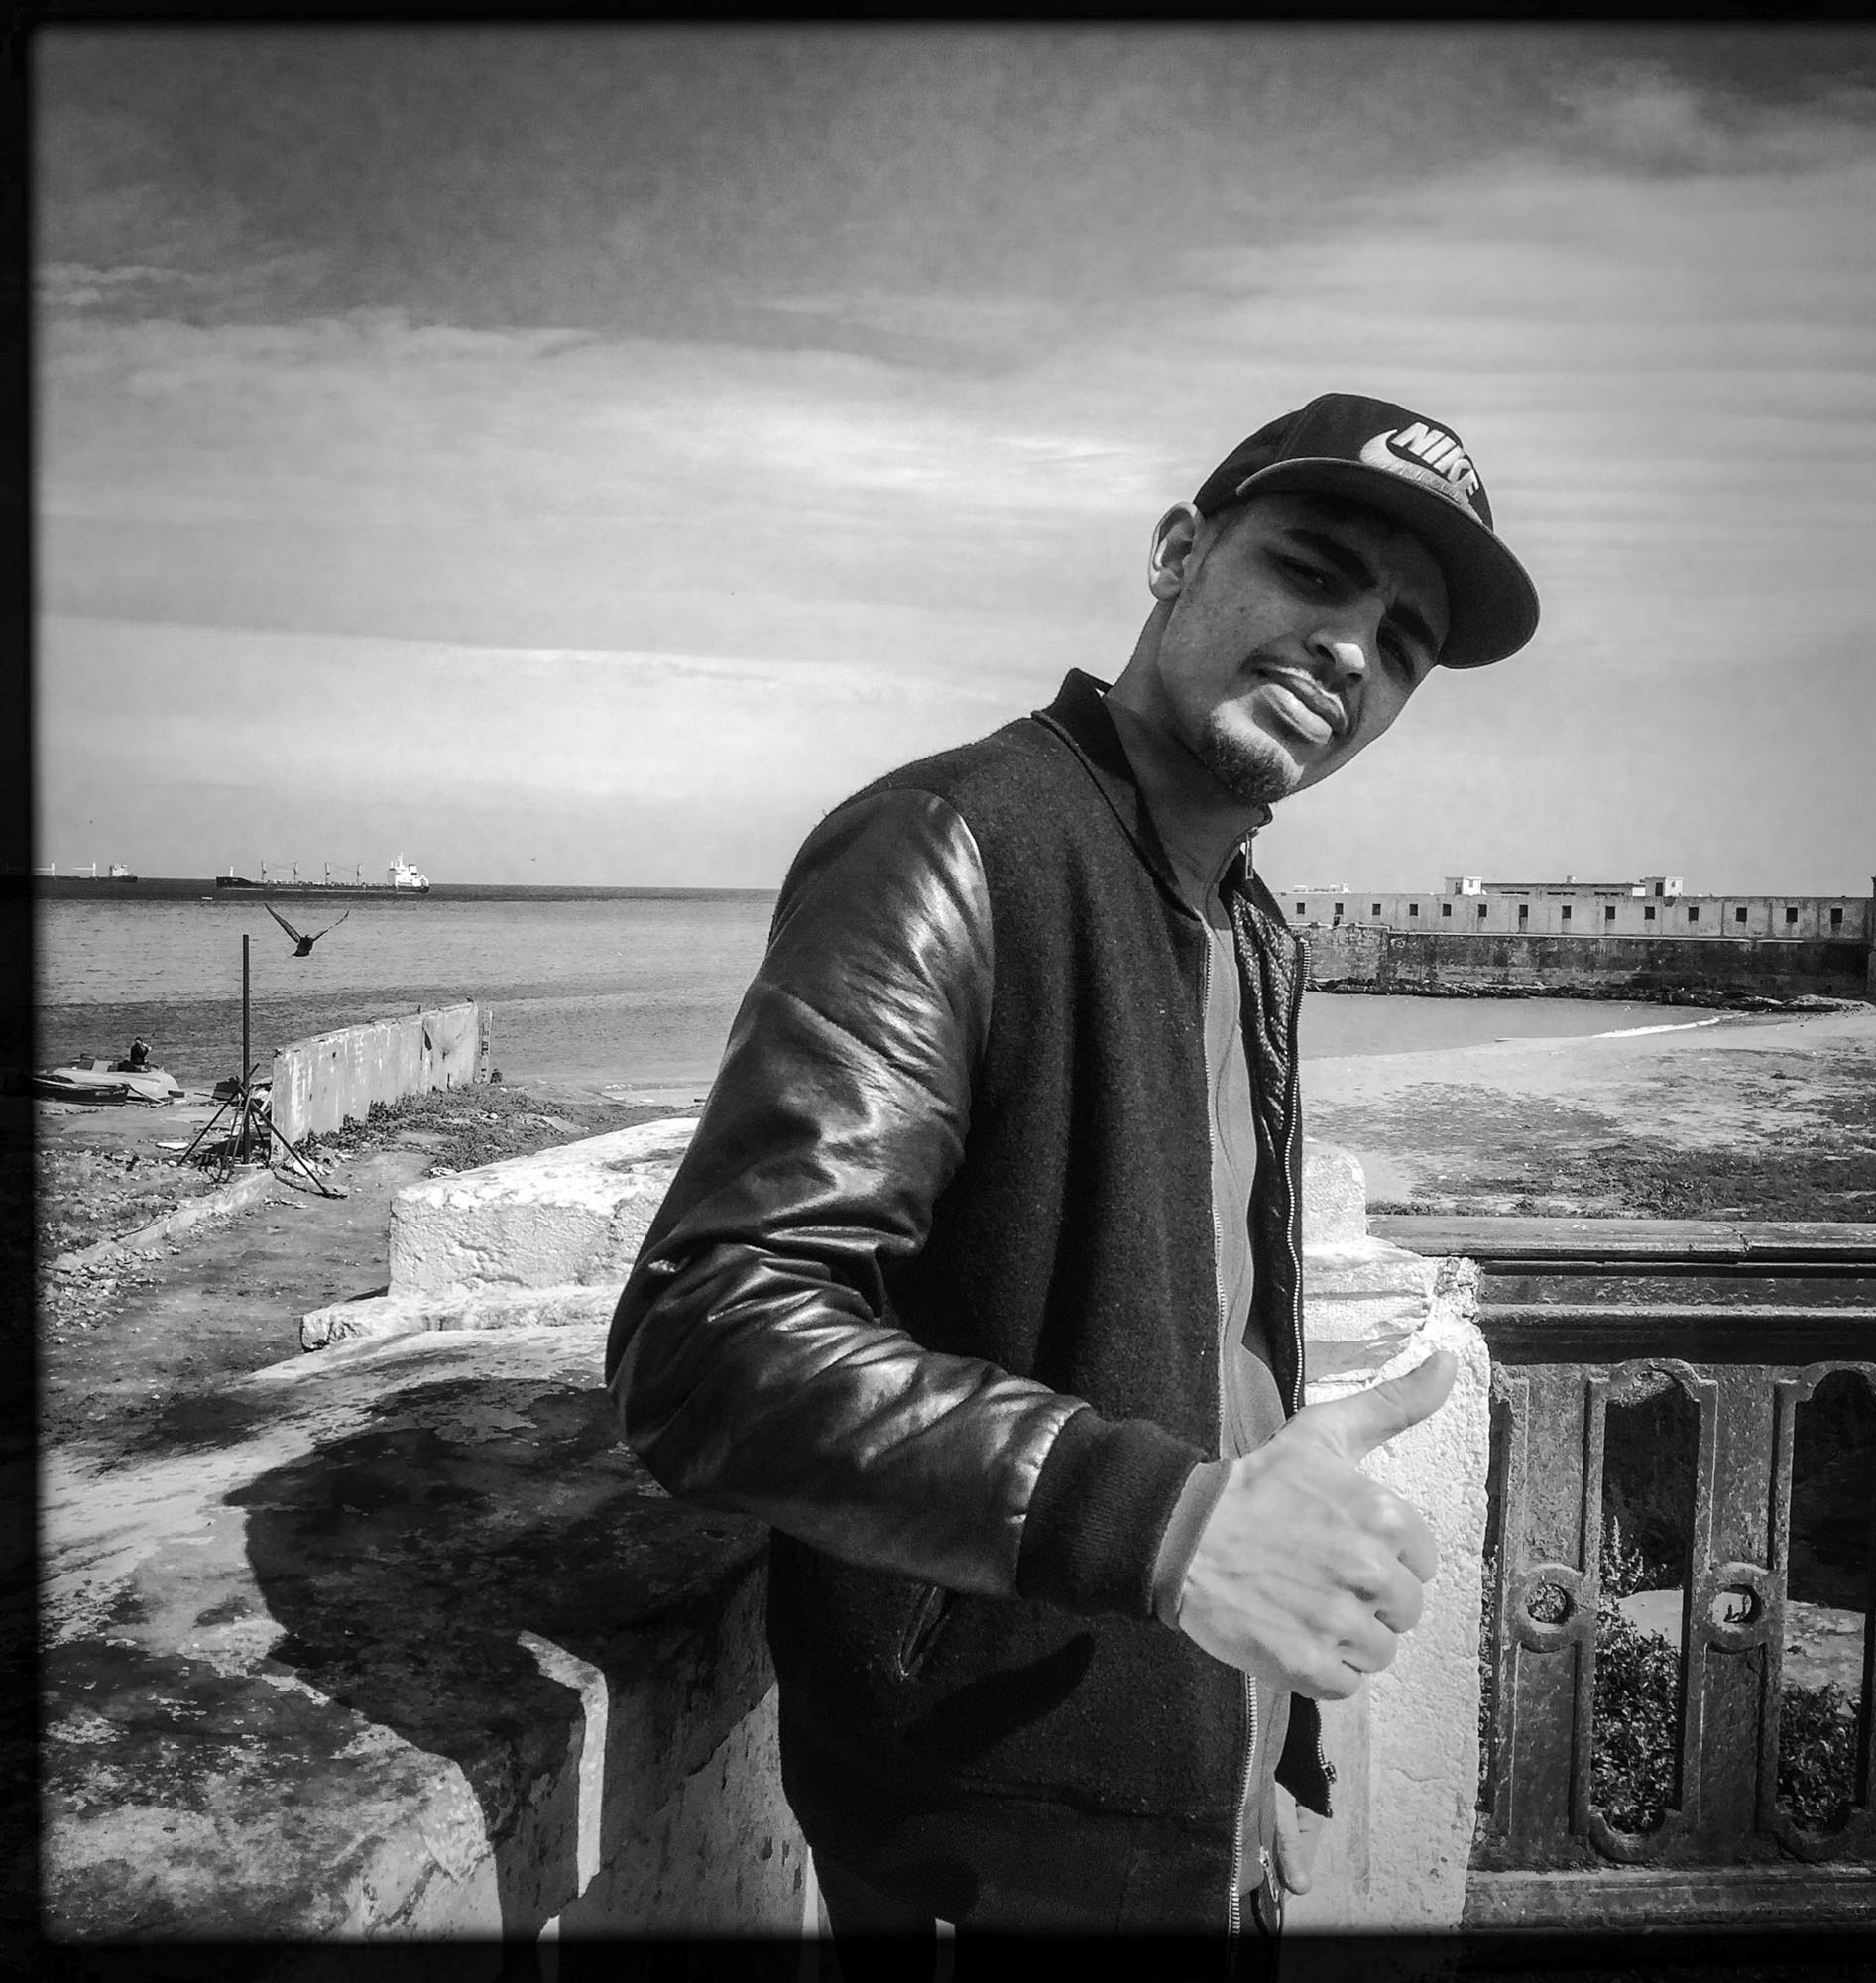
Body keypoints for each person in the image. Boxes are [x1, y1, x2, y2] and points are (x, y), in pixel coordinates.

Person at [606, 392, 1540, 1962]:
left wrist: (1276, 1745)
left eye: (1399, 648)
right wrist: (1161, 1525)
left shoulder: (1249, 927)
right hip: (989, 1816)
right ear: (1178, 553)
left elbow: (1210, 1342)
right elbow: (713, 1335)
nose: (1348, 654)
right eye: (1316, 574)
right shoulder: (952, 842)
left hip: (1195, 1783)